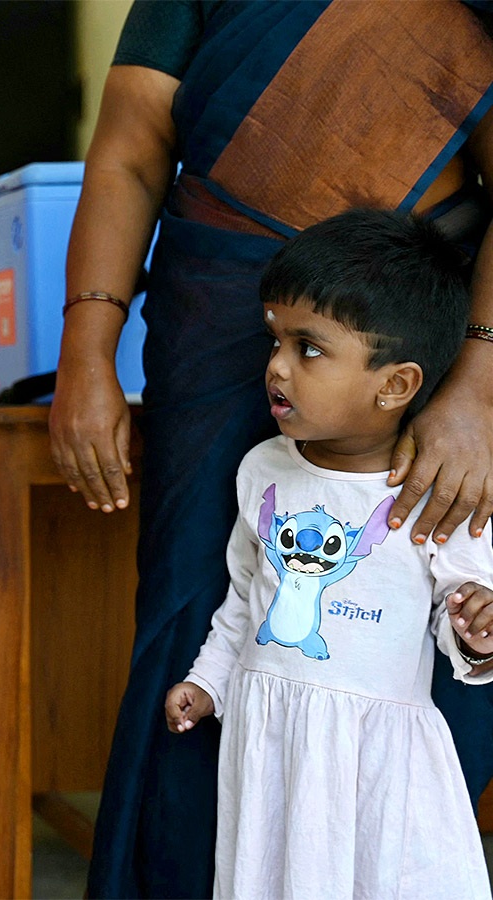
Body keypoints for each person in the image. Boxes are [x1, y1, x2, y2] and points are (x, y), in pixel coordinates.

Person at [48, 3, 493, 895]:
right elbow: (133, 145)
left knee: (444, 604)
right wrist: (87, 351)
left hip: (426, 321)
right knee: (190, 608)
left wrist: (476, 386)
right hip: (219, 307)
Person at [164, 210, 492, 899]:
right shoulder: (263, 471)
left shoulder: (433, 489)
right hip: (270, 746)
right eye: (275, 338)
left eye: (309, 348)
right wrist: (208, 681)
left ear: (395, 384)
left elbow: (466, 617)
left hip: (373, 760)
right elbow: (244, 597)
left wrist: (479, 626)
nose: (278, 365)